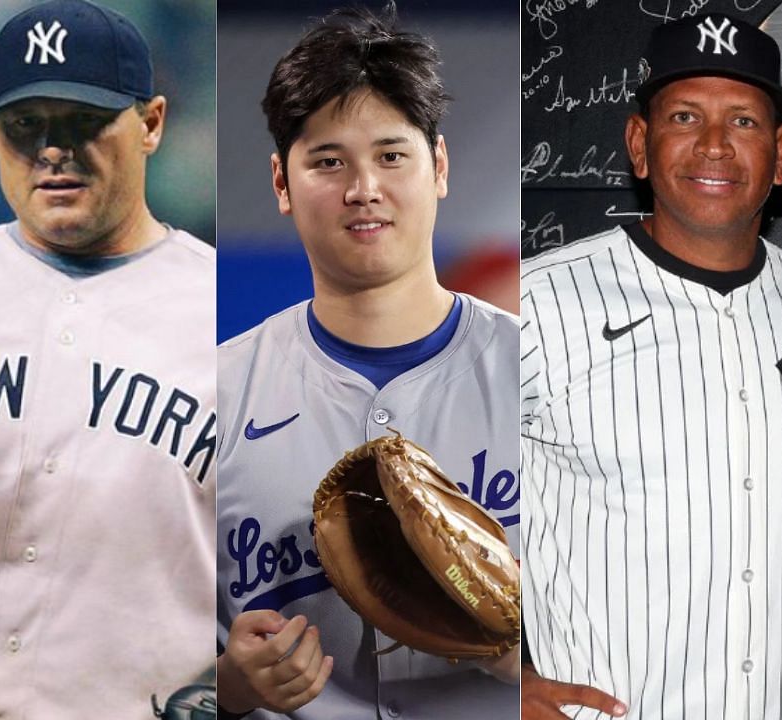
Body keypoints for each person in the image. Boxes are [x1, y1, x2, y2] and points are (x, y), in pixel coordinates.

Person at [0, 0, 216, 716]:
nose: (51, 150)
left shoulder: (227, 323)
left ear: (153, 124)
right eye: (24, 127)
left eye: (82, 123)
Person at [214, 7, 521, 718]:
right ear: (281, 183)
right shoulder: (218, 394)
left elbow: (646, 626)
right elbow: (137, 648)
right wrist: (224, 686)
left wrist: (528, 647)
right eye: (328, 162)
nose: (363, 188)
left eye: (391, 155)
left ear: (439, 167)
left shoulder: (548, 377)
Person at [520, 12, 782, 719]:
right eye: (685, 116)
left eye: (744, 122)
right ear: (640, 144)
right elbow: (421, 490)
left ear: (781, 154)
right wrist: (493, 674)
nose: (714, 145)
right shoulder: (536, 303)